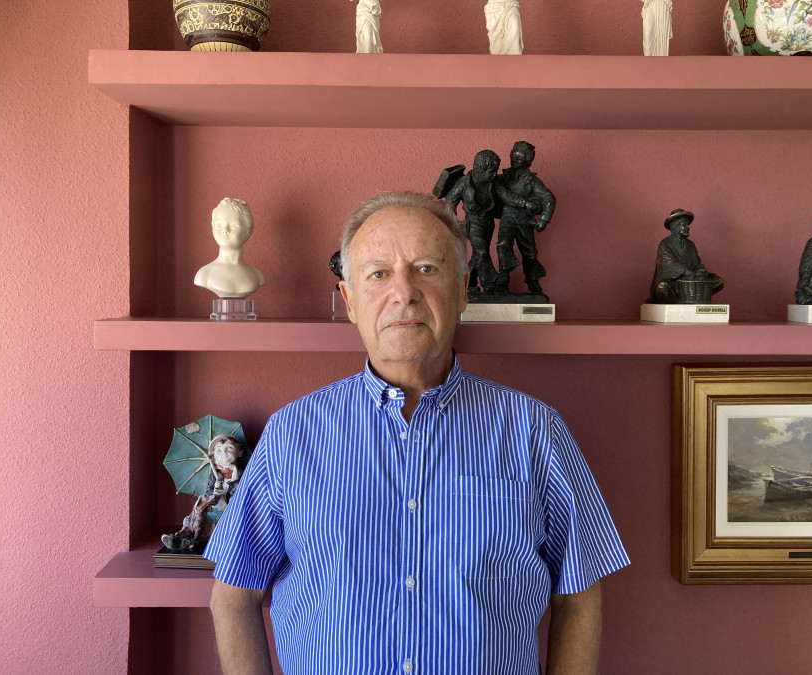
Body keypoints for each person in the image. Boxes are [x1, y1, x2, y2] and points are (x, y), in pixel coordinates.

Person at [206, 191, 630, 675]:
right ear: (349, 300)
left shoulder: (534, 431)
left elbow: (579, 596)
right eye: (378, 274)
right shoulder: (291, 435)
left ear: (463, 289)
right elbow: (233, 596)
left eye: (426, 268)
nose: (404, 292)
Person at [445, 150, 536, 293]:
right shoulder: (464, 183)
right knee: (482, 252)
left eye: (496, 171)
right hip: (473, 223)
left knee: (478, 255)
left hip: (488, 223)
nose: (495, 174)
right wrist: (452, 222)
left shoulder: (493, 183)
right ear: (480, 171)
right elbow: (450, 202)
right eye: (491, 171)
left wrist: (525, 203)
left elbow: (507, 196)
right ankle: (489, 283)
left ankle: (469, 281)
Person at [161, 434, 248, 551]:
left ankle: (189, 539)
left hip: (231, 515)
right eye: (219, 450)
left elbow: (239, 496)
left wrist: (235, 471)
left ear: (240, 453)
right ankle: (182, 538)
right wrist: (215, 492)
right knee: (190, 519)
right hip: (214, 512)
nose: (224, 453)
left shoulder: (244, 473)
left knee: (217, 527)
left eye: (230, 448)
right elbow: (209, 492)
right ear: (214, 457)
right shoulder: (215, 474)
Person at [495, 140, 556, 295]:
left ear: (527, 160)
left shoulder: (532, 181)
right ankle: (503, 277)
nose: (514, 160)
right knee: (503, 244)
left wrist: (544, 220)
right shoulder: (503, 178)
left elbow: (549, 198)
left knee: (529, 253)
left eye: (519, 158)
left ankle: (532, 280)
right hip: (508, 215)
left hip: (524, 219)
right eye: (513, 156)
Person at [648, 208, 724, 304]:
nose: (688, 227)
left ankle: (691, 296)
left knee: (718, 281)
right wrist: (686, 272)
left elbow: (696, 263)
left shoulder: (691, 245)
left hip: (690, 280)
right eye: (684, 225)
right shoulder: (665, 243)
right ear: (675, 227)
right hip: (674, 282)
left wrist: (701, 270)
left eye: (688, 225)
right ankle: (679, 299)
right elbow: (668, 263)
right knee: (662, 287)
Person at [194, 198, 266, 298]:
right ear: (213, 230)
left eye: (233, 226)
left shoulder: (256, 276)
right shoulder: (204, 274)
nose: (225, 230)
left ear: (248, 232)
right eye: (219, 225)